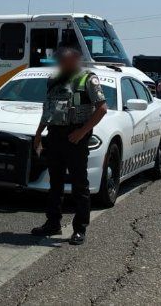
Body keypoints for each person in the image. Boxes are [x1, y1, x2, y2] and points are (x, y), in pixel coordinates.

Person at [30, 46, 108, 245]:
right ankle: (52, 223)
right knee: (54, 182)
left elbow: (102, 109)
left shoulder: (88, 79)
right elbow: (47, 109)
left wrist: (82, 132)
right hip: (55, 135)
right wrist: (39, 134)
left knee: (79, 184)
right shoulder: (53, 81)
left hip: (76, 137)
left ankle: (79, 228)